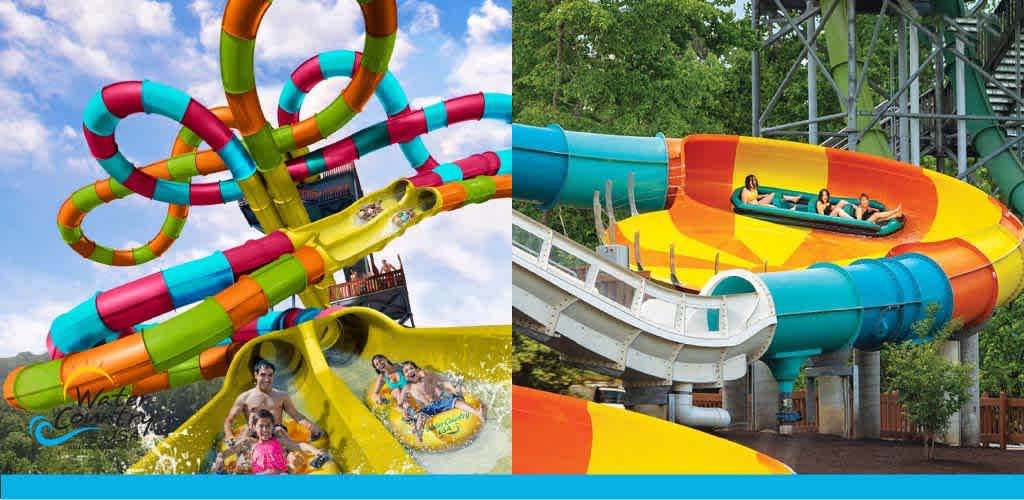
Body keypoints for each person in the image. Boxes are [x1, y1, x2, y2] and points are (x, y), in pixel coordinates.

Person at [223, 360, 324, 447]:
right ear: (256, 375)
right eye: (263, 375)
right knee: (245, 436)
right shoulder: (245, 397)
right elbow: (229, 419)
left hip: (276, 431)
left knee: (280, 431)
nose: (267, 379)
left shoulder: (281, 396)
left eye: (270, 375)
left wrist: (312, 427)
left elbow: (296, 415)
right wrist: (228, 434)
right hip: (254, 432)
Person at [213, 410, 327, 475]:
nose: (264, 430)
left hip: (276, 474)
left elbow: (299, 445)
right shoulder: (248, 442)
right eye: (261, 426)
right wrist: (219, 459)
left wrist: (316, 451)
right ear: (254, 427)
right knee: (239, 468)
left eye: (268, 426)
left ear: (272, 427)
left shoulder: (279, 441)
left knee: (289, 465)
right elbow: (225, 454)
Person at [394, 361, 485, 442]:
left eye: (411, 369)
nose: (410, 372)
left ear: (417, 370)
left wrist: (454, 389)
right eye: (406, 371)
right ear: (404, 376)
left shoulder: (426, 378)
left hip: (440, 403)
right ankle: (419, 434)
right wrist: (404, 411)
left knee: (456, 401)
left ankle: (477, 413)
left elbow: (440, 381)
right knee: (421, 415)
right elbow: (399, 404)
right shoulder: (407, 387)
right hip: (427, 408)